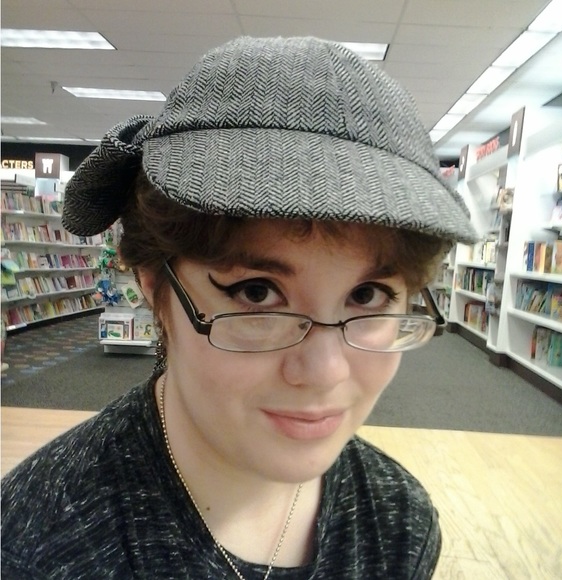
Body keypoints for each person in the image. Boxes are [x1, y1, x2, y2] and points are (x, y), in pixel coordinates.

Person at [1, 36, 478, 578]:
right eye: (256, 293)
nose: (325, 372)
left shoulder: (397, 525)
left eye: (367, 296)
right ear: (154, 286)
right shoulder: (35, 547)